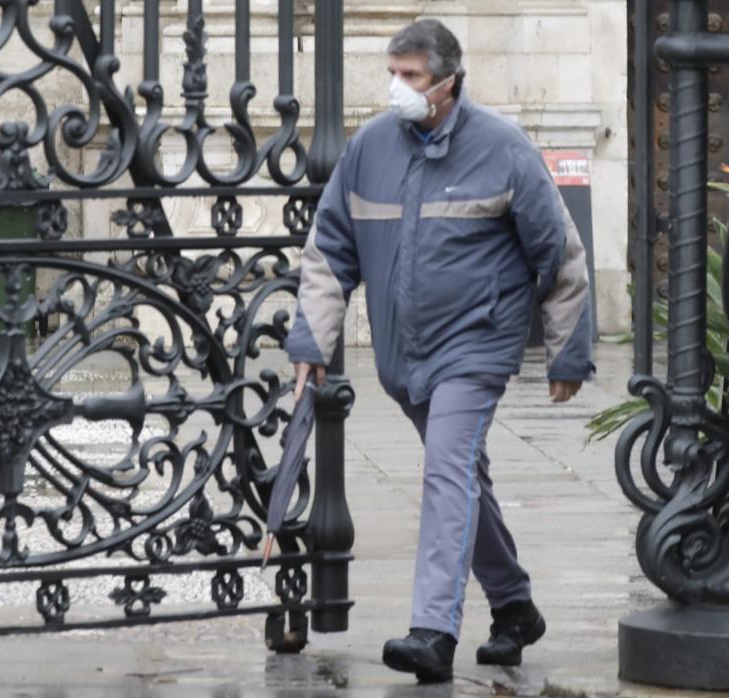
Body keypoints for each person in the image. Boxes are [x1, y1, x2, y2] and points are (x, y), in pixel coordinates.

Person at [284, 18, 595, 683]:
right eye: (392, 73)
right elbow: (329, 249)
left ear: (448, 83)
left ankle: (432, 630)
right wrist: (311, 338)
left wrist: (567, 352)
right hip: (405, 356)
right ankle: (514, 606)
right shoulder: (369, 149)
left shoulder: (502, 149)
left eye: (412, 76)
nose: (397, 87)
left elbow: (559, 253)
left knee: (444, 471)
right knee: (462, 478)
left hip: (475, 346)